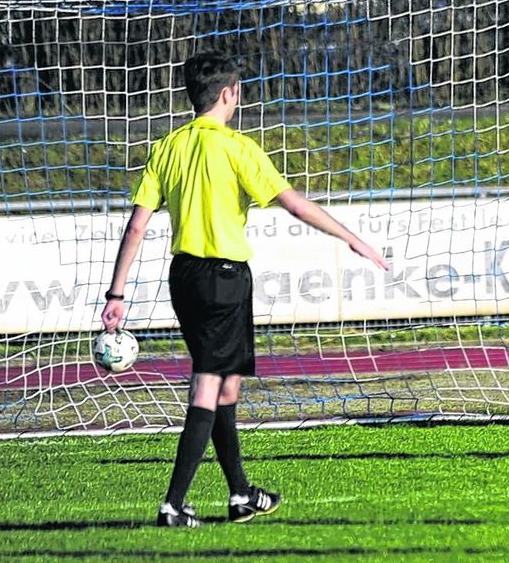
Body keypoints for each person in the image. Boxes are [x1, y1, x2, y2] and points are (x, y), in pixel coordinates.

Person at [100, 52, 390, 528]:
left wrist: (116, 295)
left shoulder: (167, 147)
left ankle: (240, 495)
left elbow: (136, 226)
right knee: (208, 383)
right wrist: (351, 238)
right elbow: (294, 204)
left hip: (185, 277)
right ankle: (173, 504)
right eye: (238, 93)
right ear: (228, 94)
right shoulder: (238, 148)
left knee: (226, 383)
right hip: (225, 279)